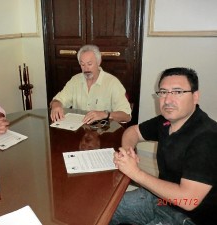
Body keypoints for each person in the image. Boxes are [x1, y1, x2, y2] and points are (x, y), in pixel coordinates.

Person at [109, 67, 217, 225]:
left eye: (178, 92)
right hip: (160, 199)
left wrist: (136, 173)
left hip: (187, 217)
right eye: (163, 92)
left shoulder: (208, 138)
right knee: (103, 210)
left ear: (195, 96)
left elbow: (189, 200)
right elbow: (133, 132)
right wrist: (128, 151)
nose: (168, 100)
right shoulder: (166, 121)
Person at [50, 44, 131, 124]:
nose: (86, 69)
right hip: (79, 129)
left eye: (89, 64)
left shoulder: (112, 83)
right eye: (82, 64)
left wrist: (105, 114)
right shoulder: (75, 80)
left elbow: (126, 116)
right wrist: (56, 105)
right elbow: (57, 100)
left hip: (104, 132)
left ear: (99, 62)